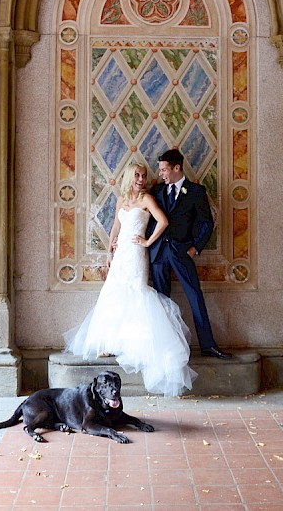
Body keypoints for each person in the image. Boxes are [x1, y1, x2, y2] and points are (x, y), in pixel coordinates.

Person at [64, 162, 198, 397]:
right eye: (137, 175)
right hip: (121, 254)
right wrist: (109, 251)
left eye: (144, 176)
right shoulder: (121, 199)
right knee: (113, 293)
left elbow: (163, 222)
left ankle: (134, 344)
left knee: (136, 292)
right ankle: (110, 343)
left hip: (136, 254)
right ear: (128, 176)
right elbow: (115, 225)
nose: (141, 179)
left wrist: (147, 242)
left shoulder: (147, 200)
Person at [148, 149, 232, 359]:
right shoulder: (157, 191)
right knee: (160, 300)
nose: (161, 174)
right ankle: (163, 347)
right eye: (160, 170)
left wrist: (195, 247)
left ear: (177, 168)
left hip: (181, 251)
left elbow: (206, 222)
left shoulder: (196, 191)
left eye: (164, 169)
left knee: (195, 295)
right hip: (158, 253)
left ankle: (208, 345)